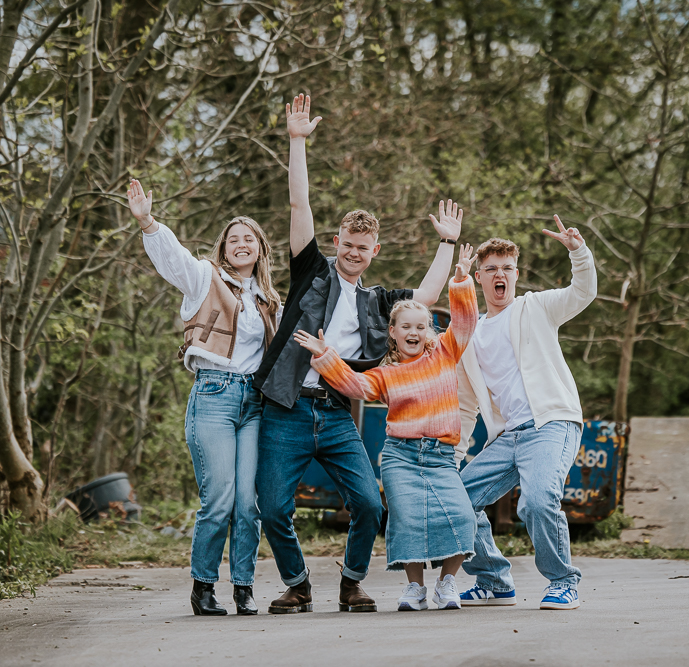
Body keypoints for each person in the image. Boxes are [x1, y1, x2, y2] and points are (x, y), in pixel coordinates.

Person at [253, 93, 463, 614]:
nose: (352, 251)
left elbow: (428, 299)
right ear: (337, 240)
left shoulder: (378, 302)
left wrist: (447, 244)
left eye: (362, 247)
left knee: (369, 503)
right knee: (274, 508)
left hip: (337, 411)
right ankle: (298, 584)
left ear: (374, 252)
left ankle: (351, 583)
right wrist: (297, 142)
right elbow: (299, 206)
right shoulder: (312, 273)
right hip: (288, 407)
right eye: (346, 242)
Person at [295, 244, 479, 612]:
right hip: (400, 455)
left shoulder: (445, 352)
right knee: (408, 520)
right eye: (405, 326)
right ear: (392, 332)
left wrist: (461, 281)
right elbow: (355, 386)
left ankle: (447, 583)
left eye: (421, 326)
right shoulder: (385, 373)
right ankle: (415, 589)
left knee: (461, 515)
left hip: (441, 455)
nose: (414, 332)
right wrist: (325, 354)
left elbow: (464, 323)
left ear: (429, 331)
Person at [126, 178, 280, 617]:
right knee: (220, 499)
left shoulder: (270, 301)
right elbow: (173, 258)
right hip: (213, 395)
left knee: (248, 505)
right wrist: (148, 222)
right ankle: (204, 586)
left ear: (261, 249)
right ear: (224, 248)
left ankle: (245, 587)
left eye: (249, 238)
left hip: (253, 403)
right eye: (233, 239)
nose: (241, 244)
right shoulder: (204, 279)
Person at [455, 216, 596, 610]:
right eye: (491, 269)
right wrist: (456, 453)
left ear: (517, 275)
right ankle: (494, 580)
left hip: (551, 424)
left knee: (536, 501)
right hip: (509, 436)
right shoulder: (471, 334)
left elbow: (583, 292)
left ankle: (563, 582)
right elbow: (467, 404)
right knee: (458, 500)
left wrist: (578, 252)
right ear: (479, 278)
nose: (500, 275)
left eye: (507, 268)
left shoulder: (536, 307)